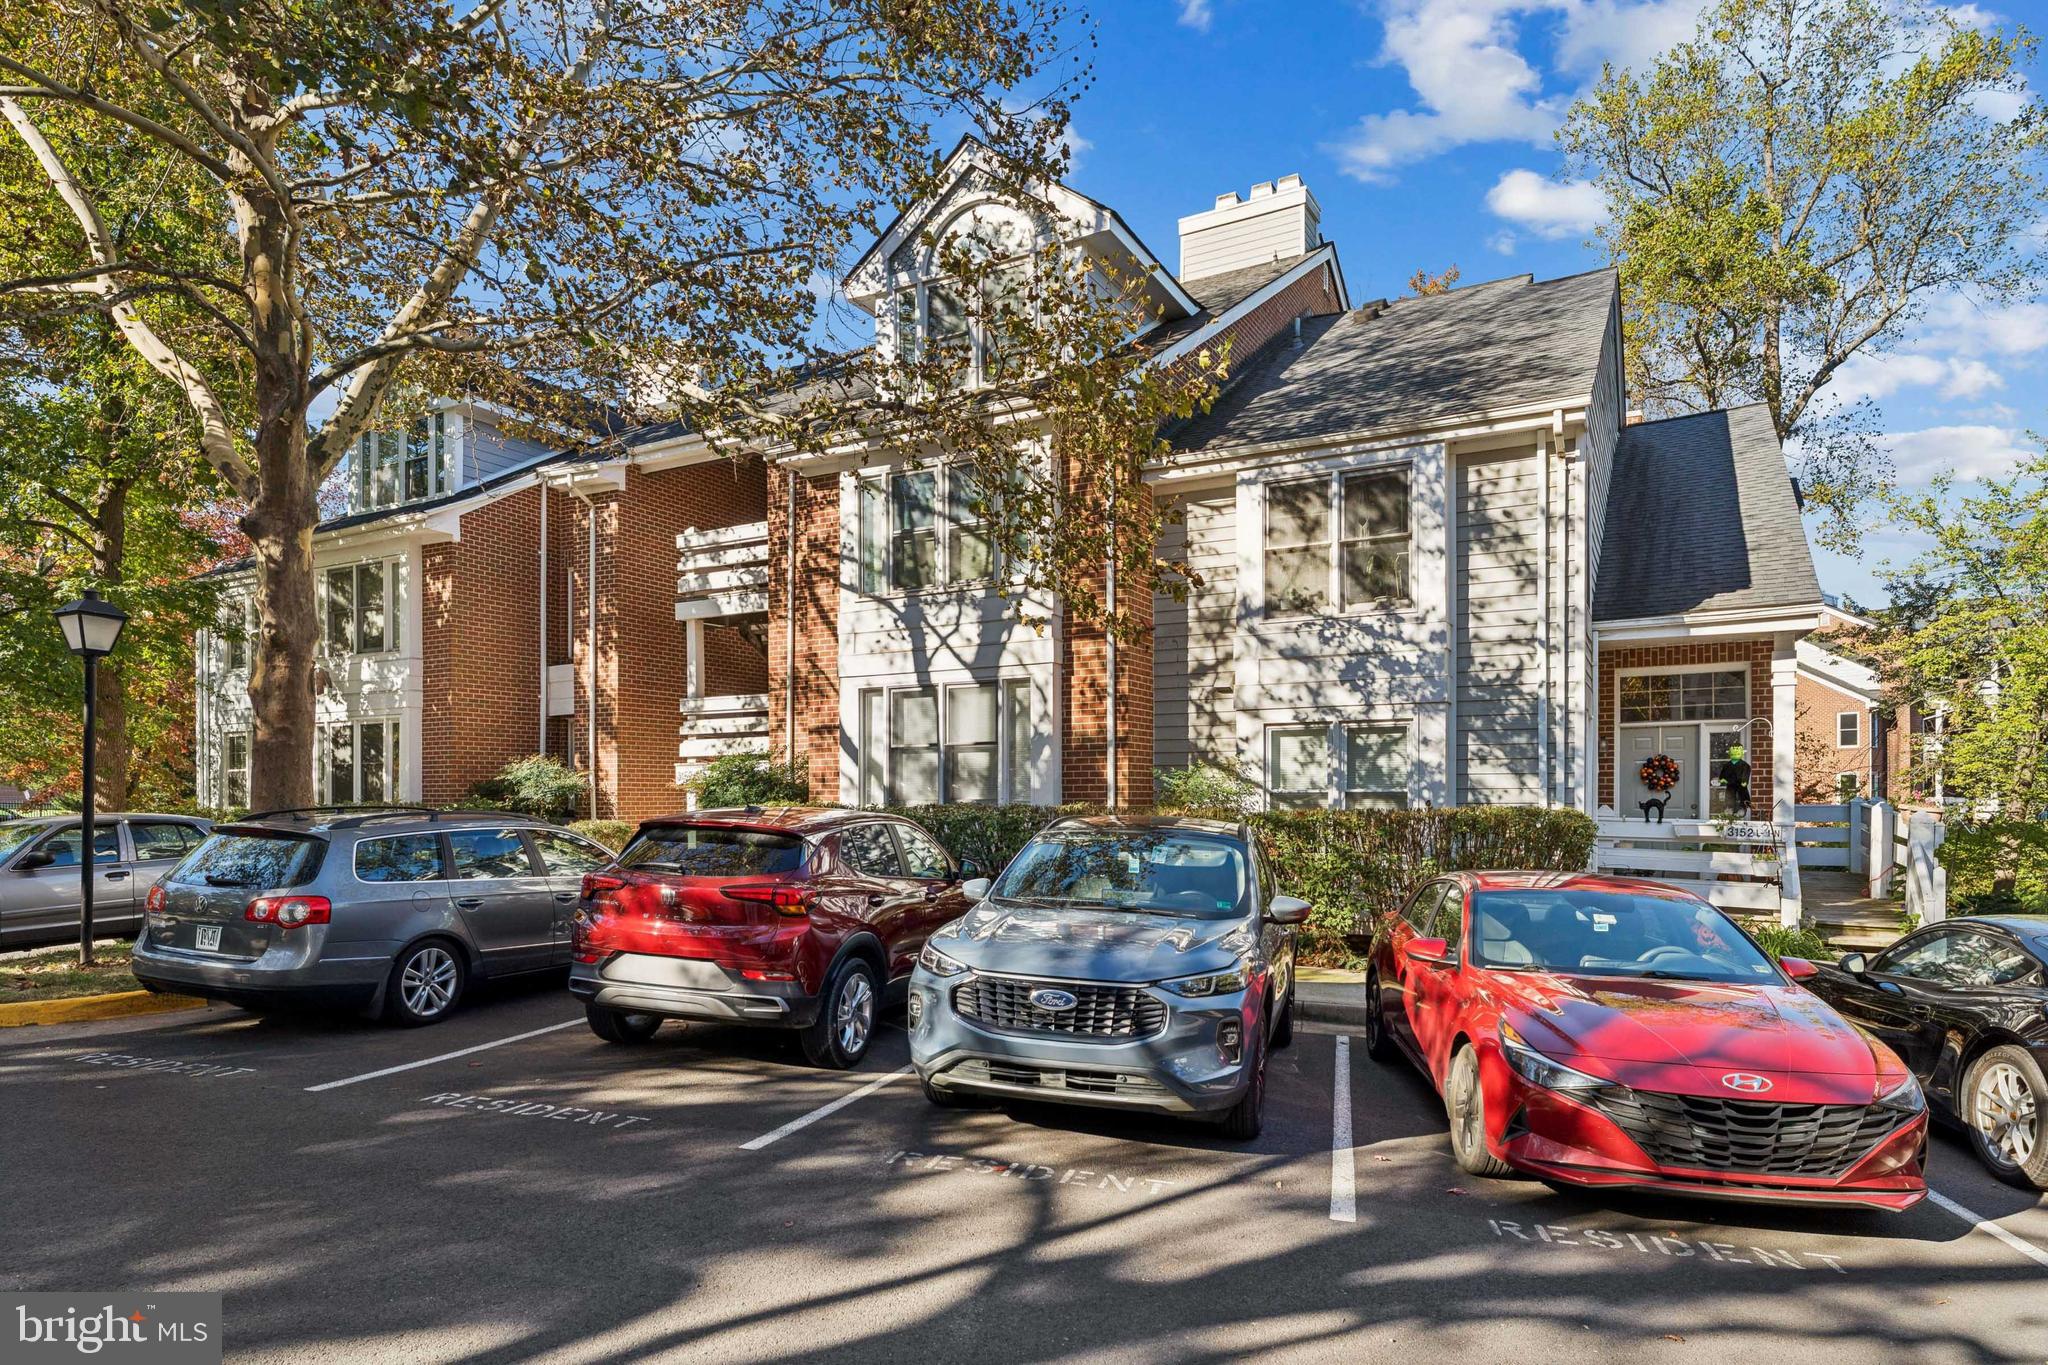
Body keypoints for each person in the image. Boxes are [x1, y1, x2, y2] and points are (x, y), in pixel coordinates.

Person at [1717, 744, 1752, 818]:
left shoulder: (1745, 765)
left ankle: (1742, 809)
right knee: (1730, 796)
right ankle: (1729, 808)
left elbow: (1746, 772)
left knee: (1742, 796)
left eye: (1738, 752)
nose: (1735, 753)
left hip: (1740, 784)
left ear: (1742, 753)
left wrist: (1745, 781)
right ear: (1729, 753)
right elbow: (1723, 773)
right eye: (1733, 752)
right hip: (1730, 784)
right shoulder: (1727, 765)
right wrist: (1722, 779)